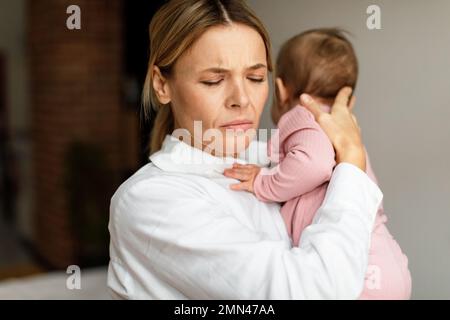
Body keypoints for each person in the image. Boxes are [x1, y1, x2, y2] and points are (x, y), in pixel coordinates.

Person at [108, 0, 383, 299]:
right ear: (162, 85)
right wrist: (352, 164)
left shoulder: (282, 161)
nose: (242, 99)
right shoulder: (149, 200)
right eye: (214, 80)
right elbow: (312, 291)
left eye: (255, 77)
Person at [223, 28, 411, 299]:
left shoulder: (301, 116)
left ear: (280, 90)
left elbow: (314, 164)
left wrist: (262, 182)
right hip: (384, 264)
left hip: (360, 276)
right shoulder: (343, 133)